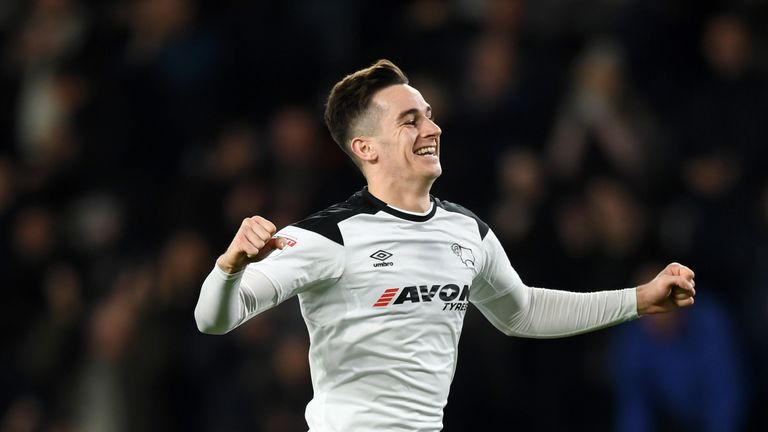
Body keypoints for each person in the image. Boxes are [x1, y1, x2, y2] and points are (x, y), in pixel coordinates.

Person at [194, 59, 696, 431]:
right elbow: (214, 318)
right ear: (365, 148)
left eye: (428, 116)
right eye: (409, 120)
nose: (431, 128)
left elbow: (521, 311)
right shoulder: (327, 236)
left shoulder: (466, 232)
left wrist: (637, 300)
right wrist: (229, 265)